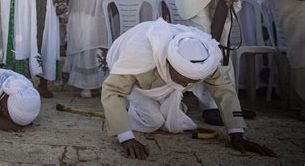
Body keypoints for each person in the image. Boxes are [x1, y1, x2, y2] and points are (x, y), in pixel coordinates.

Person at [101, 19, 276, 160]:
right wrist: (126, 138)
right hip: (136, 81)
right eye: (182, 80)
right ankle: (126, 111)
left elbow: (224, 91)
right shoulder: (138, 56)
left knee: (172, 124)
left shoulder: (207, 58)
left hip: (161, 78)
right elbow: (111, 90)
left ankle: (163, 104)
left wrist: (237, 133)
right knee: (153, 122)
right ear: (168, 63)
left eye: (192, 82)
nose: (185, 86)